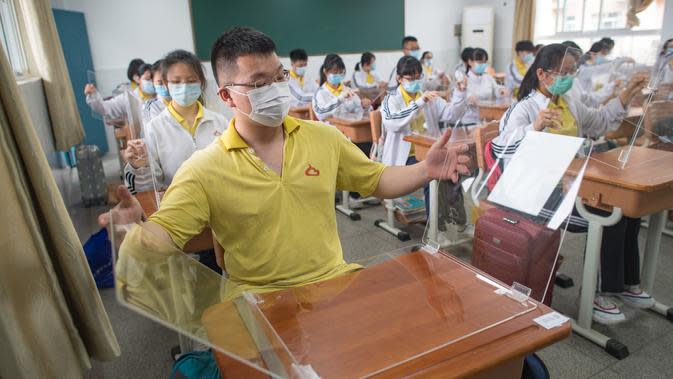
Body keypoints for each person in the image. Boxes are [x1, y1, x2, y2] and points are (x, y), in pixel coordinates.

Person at [105, 26, 470, 299]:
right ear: (227, 96)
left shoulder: (322, 138)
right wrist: (134, 230)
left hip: (335, 283)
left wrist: (425, 170)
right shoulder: (204, 169)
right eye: (259, 82)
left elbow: (377, 180)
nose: (276, 88)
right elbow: (165, 234)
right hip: (259, 300)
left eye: (279, 76)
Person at [490, 43, 650, 324]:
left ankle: (626, 282)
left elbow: (599, 123)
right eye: (564, 72)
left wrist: (628, 93)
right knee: (607, 216)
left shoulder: (568, 103)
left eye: (573, 71)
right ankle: (599, 295)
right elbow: (500, 150)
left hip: (570, 185)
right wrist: (534, 128)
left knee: (627, 208)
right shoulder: (525, 109)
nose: (570, 77)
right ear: (542, 74)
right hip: (538, 196)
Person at [381, 56, 468, 245]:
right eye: (410, 78)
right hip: (404, 159)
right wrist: (418, 103)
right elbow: (392, 123)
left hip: (428, 153)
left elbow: (452, 114)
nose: (415, 81)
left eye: (418, 77)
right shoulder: (391, 99)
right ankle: (434, 230)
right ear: (399, 78)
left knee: (452, 170)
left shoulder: (428, 97)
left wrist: (460, 92)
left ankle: (458, 222)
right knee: (433, 177)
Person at [123, 49, 227, 195]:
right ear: (166, 84)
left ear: (201, 82)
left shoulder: (219, 122)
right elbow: (146, 188)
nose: (184, 87)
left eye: (191, 81)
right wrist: (138, 167)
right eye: (176, 82)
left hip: (220, 201)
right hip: (181, 207)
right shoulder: (155, 128)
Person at [85, 61, 155, 123]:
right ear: (137, 78)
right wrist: (93, 96)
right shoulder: (129, 98)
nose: (151, 82)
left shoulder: (161, 94)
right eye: (147, 79)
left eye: (153, 79)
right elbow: (105, 108)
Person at [312, 53, 370, 121]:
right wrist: (341, 98)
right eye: (335, 72)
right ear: (325, 72)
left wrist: (363, 106)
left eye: (340, 72)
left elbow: (358, 112)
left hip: (350, 127)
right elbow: (320, 113)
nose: (338, 75)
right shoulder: (320, 93)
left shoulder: (347, 90)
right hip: (332, 129)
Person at [462, 48, 507, 125]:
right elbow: (469, 99)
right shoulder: (464, 80)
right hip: (471, 120)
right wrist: (473, 100)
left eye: (484, 62)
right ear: (470, 62)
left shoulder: (488, 77)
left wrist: (501, 91)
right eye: (479, 62)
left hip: (488, 118)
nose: (483, 65)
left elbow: (496, 89)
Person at [142, 59, 171, 124]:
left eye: (168, 82)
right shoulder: (151, 107)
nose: (165, 87)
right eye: (160, 83)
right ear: (152, 82)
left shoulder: (183, 101)